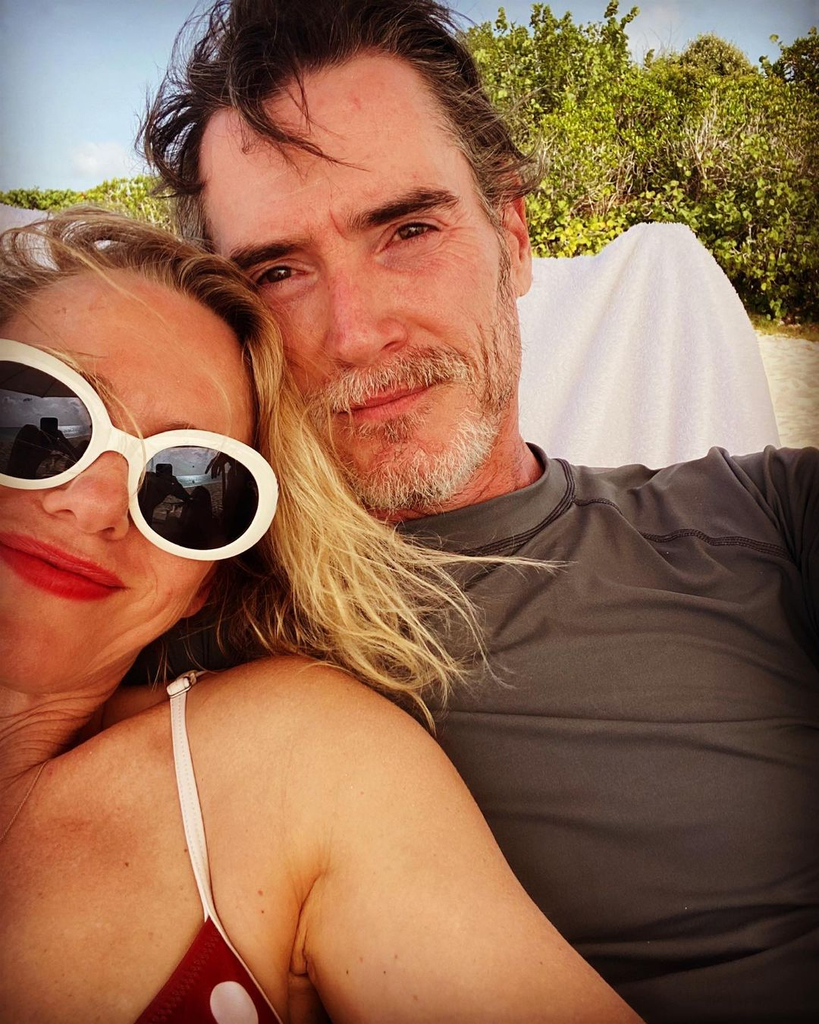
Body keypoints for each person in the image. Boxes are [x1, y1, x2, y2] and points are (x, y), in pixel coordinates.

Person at [140, 1, 819, 1020]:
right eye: (277, 271)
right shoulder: (166, 604)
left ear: (514, 236)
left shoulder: (762, 516)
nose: (356, 333)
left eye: (408, 230)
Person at [0, 210, 643, 1023]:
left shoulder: (292, 768)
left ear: (206, 581)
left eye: (189, 485)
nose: (93, 505)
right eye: (38, 420)